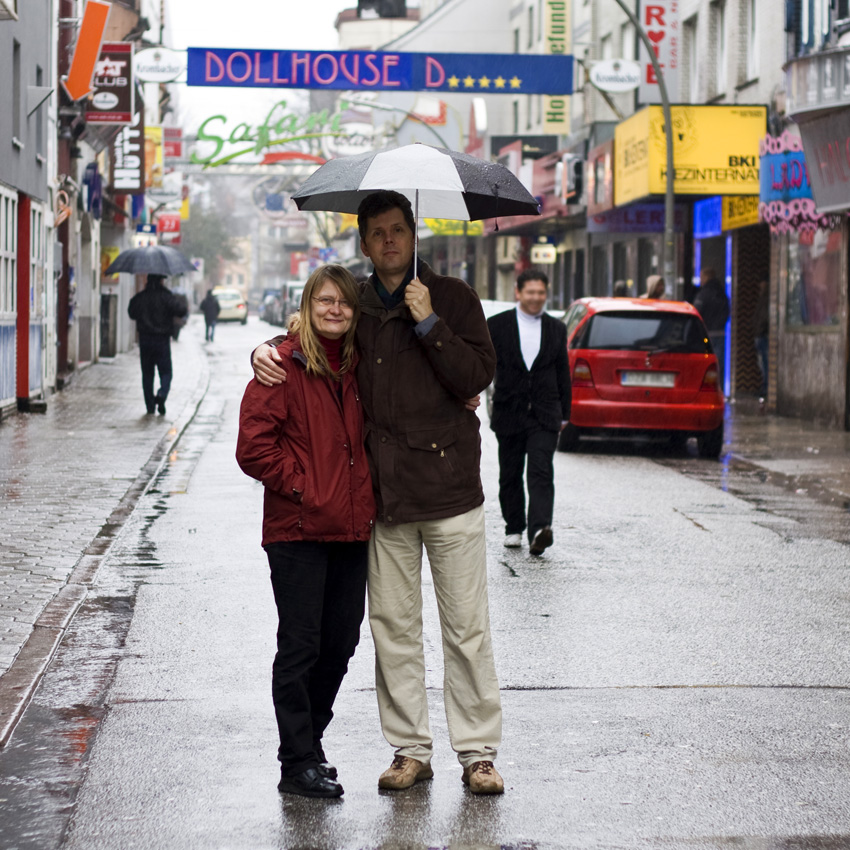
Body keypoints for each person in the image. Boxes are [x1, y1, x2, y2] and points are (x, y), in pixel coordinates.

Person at [251, 190, 504, 795]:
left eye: (399, 230)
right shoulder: (356, 304)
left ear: (415, 236)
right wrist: (264, 349)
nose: (389, 241)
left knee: (466, 628)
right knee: (393, 629)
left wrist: (430, 323)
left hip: (449, 493)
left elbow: (476, 377)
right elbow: (313, 341)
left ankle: (478, 754)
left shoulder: (453, 298)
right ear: (364, 243)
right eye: (378, 233)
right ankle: (410, 749)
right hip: (383, 501)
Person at [236, 265, 375, 799]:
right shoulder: (281, 365)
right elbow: (253, 448)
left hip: (351, 528)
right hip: (296, 530)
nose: (335, 310)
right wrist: (305, 488)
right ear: (308, 306)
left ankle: (310, 744)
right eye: (325, 301)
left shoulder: (363, 366)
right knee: (301, 645)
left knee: (340, 642)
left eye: (344, 302)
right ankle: (295, 763)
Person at [487, 270, 571, 555]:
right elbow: (484, 364)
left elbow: (562, 373)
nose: (536, 298)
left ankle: (539, 529)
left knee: (540, 471)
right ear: (518, 292)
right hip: (509, 411)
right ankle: (514, 527)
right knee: (510, 473)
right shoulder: (497, 325)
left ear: (546, 294)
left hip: (545, 413)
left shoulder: (556, 328)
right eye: (530, 292)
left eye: (541, 292)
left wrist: (565, 414)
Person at [127, 274, 188, 416]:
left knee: (147, 374)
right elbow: (182, 310)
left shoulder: (140, 297)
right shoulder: (166, 296)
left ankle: (149, 406)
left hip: (145, 340)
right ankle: (161, 394)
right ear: (161, 280)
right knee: (166, 372)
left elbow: (131, 312)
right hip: (162, 340)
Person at [694, 267, 730, 391]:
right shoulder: (721, 293)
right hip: (720, 333)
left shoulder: (703, 294)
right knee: (718, 363)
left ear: (706, 277)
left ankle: (706, 390)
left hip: (706, 335)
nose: (701, 280)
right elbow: (726, 311)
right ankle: (719, 390)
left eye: (702, 277)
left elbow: (696, 313)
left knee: (706, 361)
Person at [753, 279, 769, 402]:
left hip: (763, 335)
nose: (760, 285)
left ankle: (765, 389)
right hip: (760, 334)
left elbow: (763, 317)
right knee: (762, 363)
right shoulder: (763, 298)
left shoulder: (766, 298)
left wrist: (761, 330)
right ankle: (764, 388)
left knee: (764, 363)